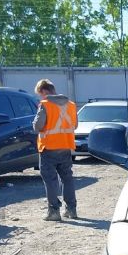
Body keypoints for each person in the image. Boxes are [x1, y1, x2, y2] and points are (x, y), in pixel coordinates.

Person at [33, 79, 78, 221]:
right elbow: (75, 125)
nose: (41, 97)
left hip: (48, 148)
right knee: (67, 178)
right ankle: (71, 210)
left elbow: (38, 126)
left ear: (44, 91)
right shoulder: (71, 105)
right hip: (65, 146)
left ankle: (54, 211)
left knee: (51, 180)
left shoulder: (45, 105)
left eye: (40, 94)